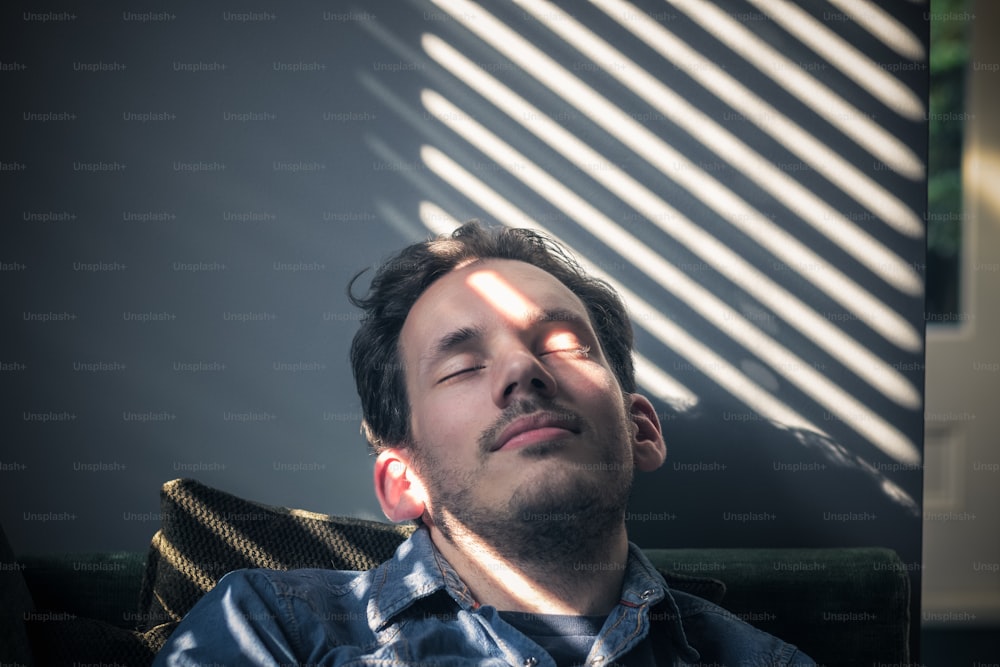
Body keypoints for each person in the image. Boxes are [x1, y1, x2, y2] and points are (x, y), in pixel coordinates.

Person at [154, 221, 814, 666]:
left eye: (561, 344)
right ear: (401, 479)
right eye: (462, 365)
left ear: (641, 427)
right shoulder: (270, 630)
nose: (524, 371)